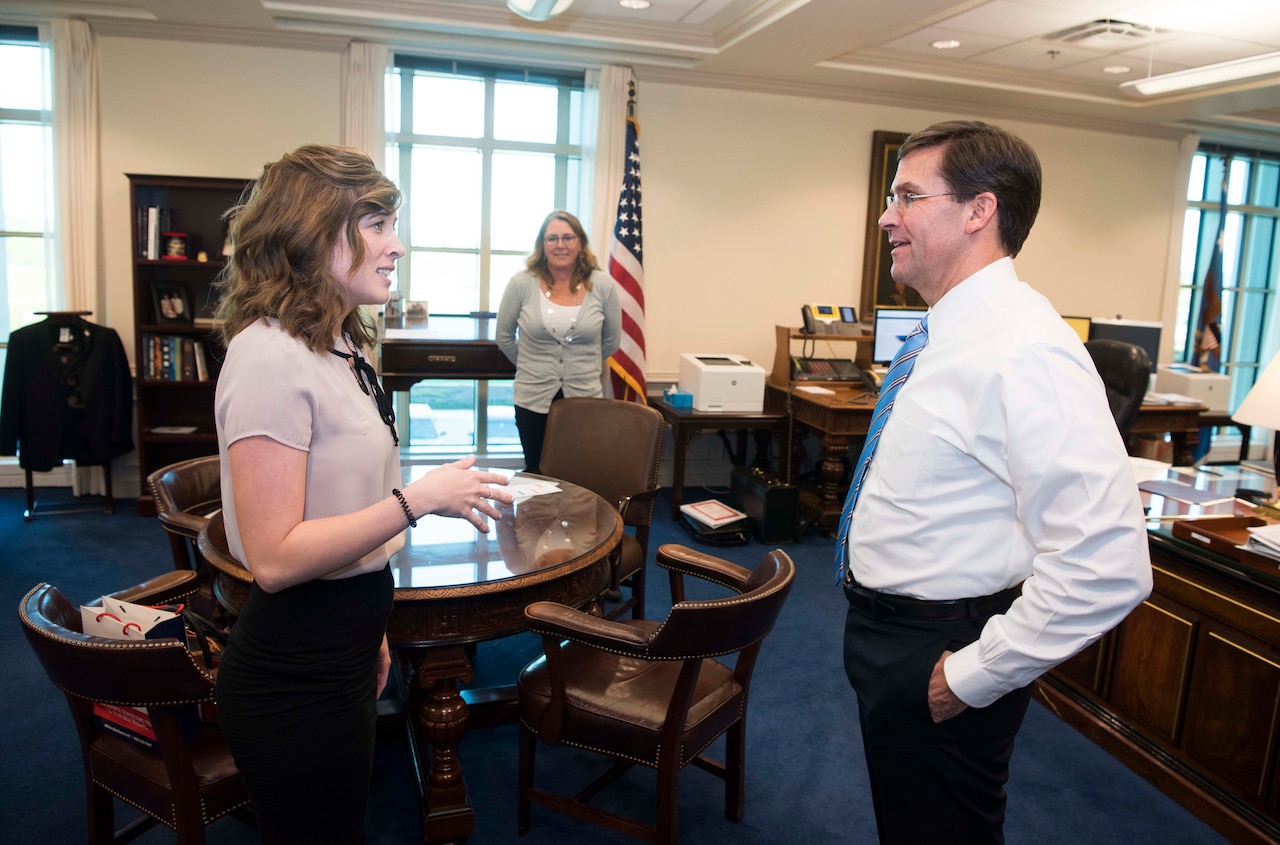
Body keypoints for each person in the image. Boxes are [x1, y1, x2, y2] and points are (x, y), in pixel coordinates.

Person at [837, 120, 1152, 844]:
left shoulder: (1025, 349)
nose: (887, 215)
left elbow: (1109, 563)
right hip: (890, 636)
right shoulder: (947, 334)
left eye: (908, 196)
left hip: (943, 651)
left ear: (979, 211)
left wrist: (967, 678)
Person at [211, 144, 512, 843]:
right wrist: (420, 498)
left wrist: (372, 630)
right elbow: (276, 558)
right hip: (292, 674)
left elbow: (340, 503)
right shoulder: (268, 354)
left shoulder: (340, 343)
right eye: (376, 224)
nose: (397, 245)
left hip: (346, 647)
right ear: (315, 232)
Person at [496, 210, 621, 473]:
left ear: (580, 243)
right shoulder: (521, 284)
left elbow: (611, 340)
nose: (560, 245)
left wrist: (583, 364)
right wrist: (531, 365)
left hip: (585, 398)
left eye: (567, 237)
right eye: (552, 238)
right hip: (533, 397)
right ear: (542, 244)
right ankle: (538, 517)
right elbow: (504, 337)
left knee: (581, 472)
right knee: (537, 470)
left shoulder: (603, 286)